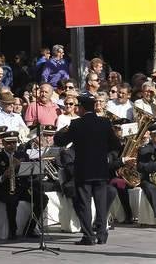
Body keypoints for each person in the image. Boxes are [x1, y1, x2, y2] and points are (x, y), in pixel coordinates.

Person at [54, 98, 122, 246]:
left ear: (82, 108)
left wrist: (61, 131)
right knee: (101, 203)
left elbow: (60, 141)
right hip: (101, 170)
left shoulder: (76, 124)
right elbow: (116, 144)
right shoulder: (104, 122)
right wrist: (109, 158)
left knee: (84, 203)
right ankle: (102, 235)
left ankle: (88, 236)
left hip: (84, 171)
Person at [0, 131, 29, 240]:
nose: (12, 145)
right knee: (12, 201)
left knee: (42, 198)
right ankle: (12, 231)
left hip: (21, 188)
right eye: (9, 143)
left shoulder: (23, 155)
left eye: (14, 143)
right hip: (4, 190)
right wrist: (3, 176)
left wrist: (22, 166)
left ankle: (30, 228)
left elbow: (30, 175)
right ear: (3, 143)